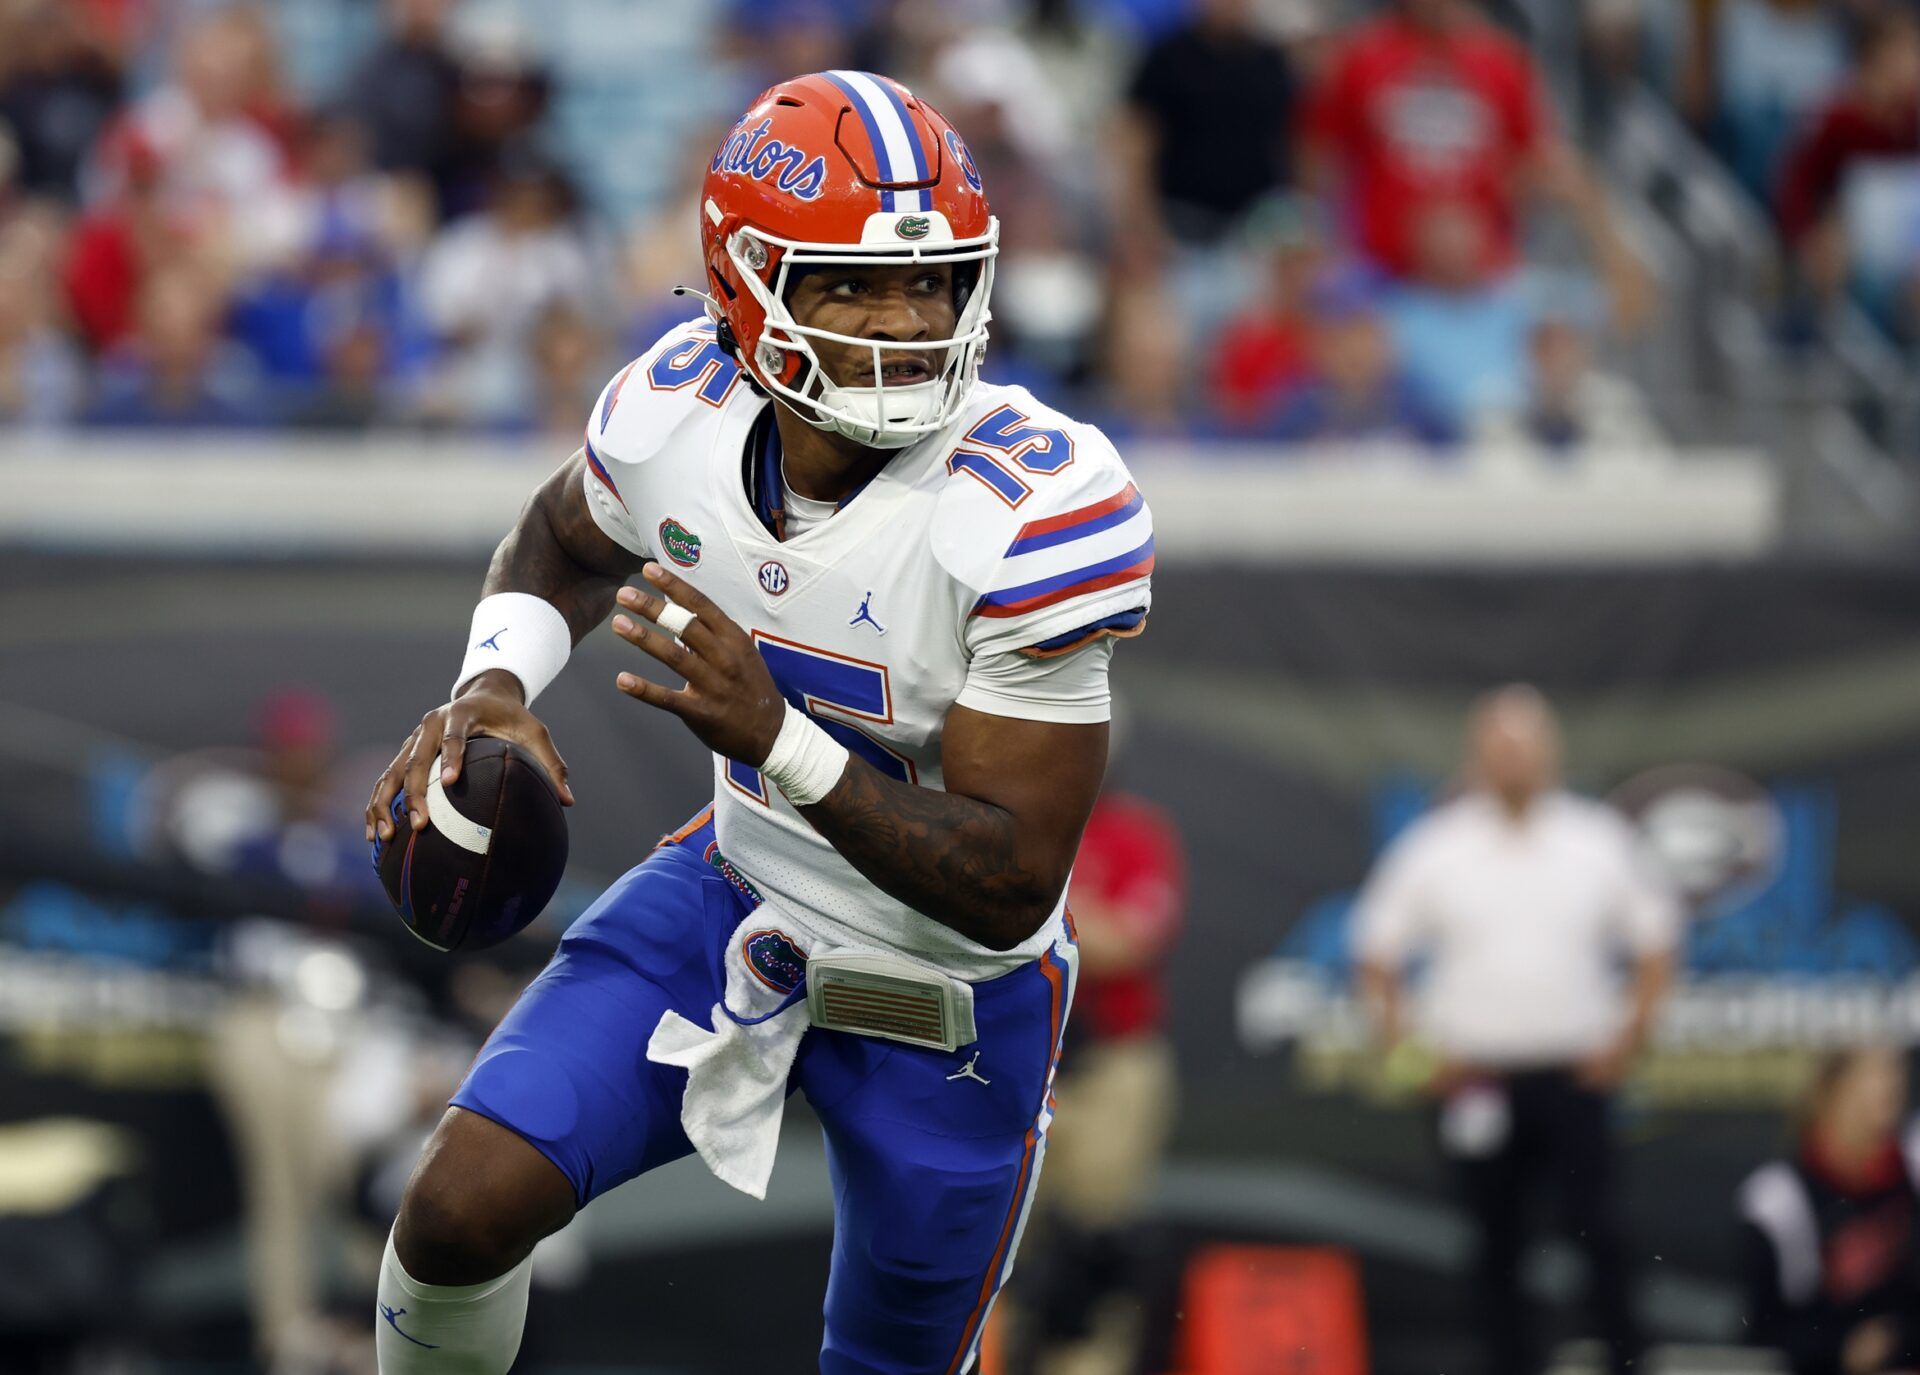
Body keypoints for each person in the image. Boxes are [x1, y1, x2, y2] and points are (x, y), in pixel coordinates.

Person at [362, 69, 1154, 1375]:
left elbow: (1012, 884)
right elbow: (565, 536)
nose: (904, 317)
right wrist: (492, 682)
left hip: (952, 991)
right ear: (744, 279)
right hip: (743, 888)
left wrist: (780, 735)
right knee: (454, 1210)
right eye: (851, 282)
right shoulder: (679, 409)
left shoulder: (1035, 505)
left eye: (932, 279)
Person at [1352, 685, 1680, 1375]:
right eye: (1498, 747)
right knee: (1497, 1246)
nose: (1512, 761)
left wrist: (1627, 1041)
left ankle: (1626, 1360)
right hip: (1475, 1083)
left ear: (1551, 752)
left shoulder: (1595, 839)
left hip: (1573, 1077)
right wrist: (1412, 1056)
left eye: (1523, 745)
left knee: (1600, 1236)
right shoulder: (1438, 846)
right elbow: (1376, 955)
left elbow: (1657, 944)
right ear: (1475, 756)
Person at [1010, 790, 1185, 1375]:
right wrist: (1081, 915)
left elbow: (1130, 943)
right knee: (988, 1246)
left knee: (1098, 1247)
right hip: (1012, 1061)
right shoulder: (997, 821)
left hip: (1108, 1065)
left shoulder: (1132, 833)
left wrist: (1039, 915)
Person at [1738, 1046, 1920, 1375]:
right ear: (1827, 1099)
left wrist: (1899, 1339)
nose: (1877, 1125)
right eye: (1863, 1105)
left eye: (1891, 1102)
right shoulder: (1780, 1199)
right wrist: (1842, 1347)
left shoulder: (1909, 1172)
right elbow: (1761, 1329)